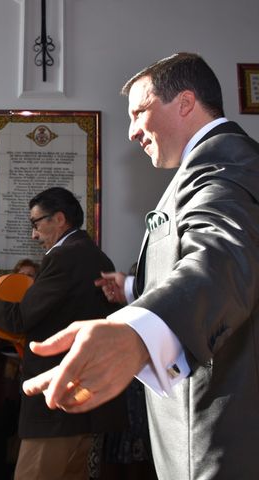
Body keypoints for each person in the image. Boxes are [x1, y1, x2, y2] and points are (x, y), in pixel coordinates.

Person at [22, 53, 259, 480]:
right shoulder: (212, 163)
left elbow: (222, 256)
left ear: (185, 102)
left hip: (217, 438)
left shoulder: (224, 162)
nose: (131, 131)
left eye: (139, 112)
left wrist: (138, 332)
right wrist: (134, 287)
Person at [0, 187, 127, 480]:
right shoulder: (97, 257)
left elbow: (20, 318)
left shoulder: (64, 257)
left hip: (57, 404)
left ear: (59, 219)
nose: (34, 234)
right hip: (87, 402)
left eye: (36, 223)